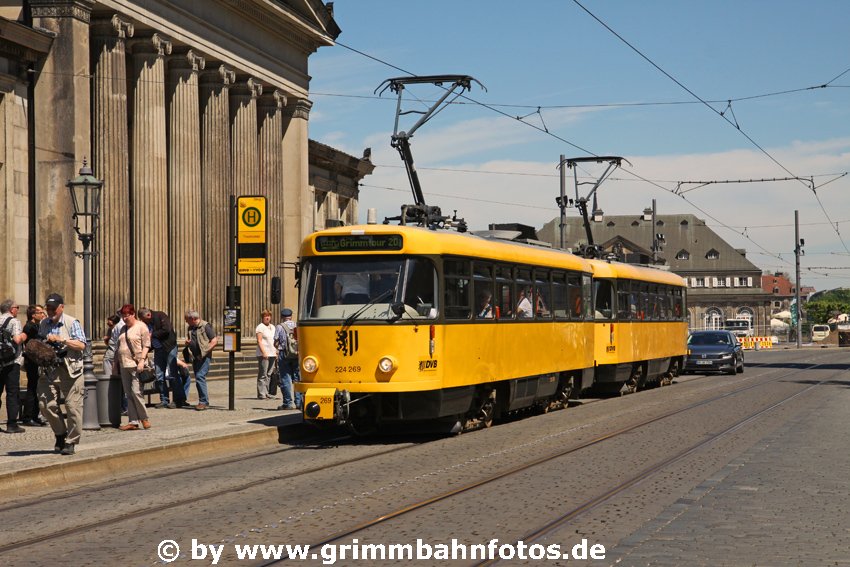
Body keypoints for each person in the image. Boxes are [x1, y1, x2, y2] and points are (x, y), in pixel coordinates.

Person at [38, 293, 86, 455]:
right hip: (49, 369)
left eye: (53, 308)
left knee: (73, 408)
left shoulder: (72, 322)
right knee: (45, 405)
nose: (50, 311)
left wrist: (62, 340)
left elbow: (81, 345)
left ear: (61, 307)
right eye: (48, 308)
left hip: (71, 370)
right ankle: (60, 434)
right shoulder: (44, 323)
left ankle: (71, 441)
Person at [115, 304, 152, 431]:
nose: (125, 318)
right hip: (123, 363)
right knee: (128, 393)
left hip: (136, 364)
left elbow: (147, 345)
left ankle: (144, 418)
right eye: (123, 316)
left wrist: (142, 361)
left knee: (136, 392)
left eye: (127, 315)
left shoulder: (141, 326)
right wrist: (115, 365)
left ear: (133, 314)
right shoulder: (123, 329)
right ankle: (133, 421)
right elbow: (118, 347)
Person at [176, 310, 217, 411]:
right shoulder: (191, 327)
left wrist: (204, 352)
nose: (186, 322)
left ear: (192, 319)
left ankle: (203, 402)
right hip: (195, 356)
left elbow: (214, 340)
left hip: (204, 357)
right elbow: (192, 340)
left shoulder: (205, 326)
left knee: (200, 377)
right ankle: (203, 401)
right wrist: (188, 343)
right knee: (198, 377)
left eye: (187, 320)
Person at [138, 307, 178, 409]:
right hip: (158, 350)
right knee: (159, 375)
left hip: (169, 348)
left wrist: (152, 335)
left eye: (143, 319)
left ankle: (177, 400)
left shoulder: (160, 315)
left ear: (148, 315)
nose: (142, 321)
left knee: (172, 375)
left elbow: (166, 329)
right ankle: (164, 399)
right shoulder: (147, 323)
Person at [0, 299, 27, 434]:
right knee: (12, 393)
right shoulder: (14, 321)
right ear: (11, 309)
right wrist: (23, 335)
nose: (18, 309)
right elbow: (17, 340)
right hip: (11, 362)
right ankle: (12, 424)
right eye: (17, 307)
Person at [20, 304, 48, 427]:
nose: (43, 314)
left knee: (37, 388)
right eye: (40, 312)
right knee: (32, 388)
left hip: (37, 360)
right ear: (33, 314)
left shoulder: (38, 325)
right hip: (32, 361)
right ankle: (27, 417)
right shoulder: (30, 327)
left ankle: (35, 415)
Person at [274, 308, 301, 410]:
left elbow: (275, 342)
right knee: (297, 379)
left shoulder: (279, 327)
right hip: (296, 354)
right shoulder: (296, 325)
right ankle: (299, 403)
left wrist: (278, 348)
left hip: (284, 354)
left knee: (285, 378)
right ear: (291, 316)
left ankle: (287, 403)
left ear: (282, 316)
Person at [255, 309, 277, 400]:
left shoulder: (272, 327)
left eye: (268, 316)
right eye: (265, 316)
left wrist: (276, 351)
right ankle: (261, 393)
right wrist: (264, 352)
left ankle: (266, 392)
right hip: (264, 353)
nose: (267, 318)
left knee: (269, 373)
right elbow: (259, 340)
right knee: (263, 374)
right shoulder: (260, 327)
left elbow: (274, 340)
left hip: (272, 353)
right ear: (262, 318)